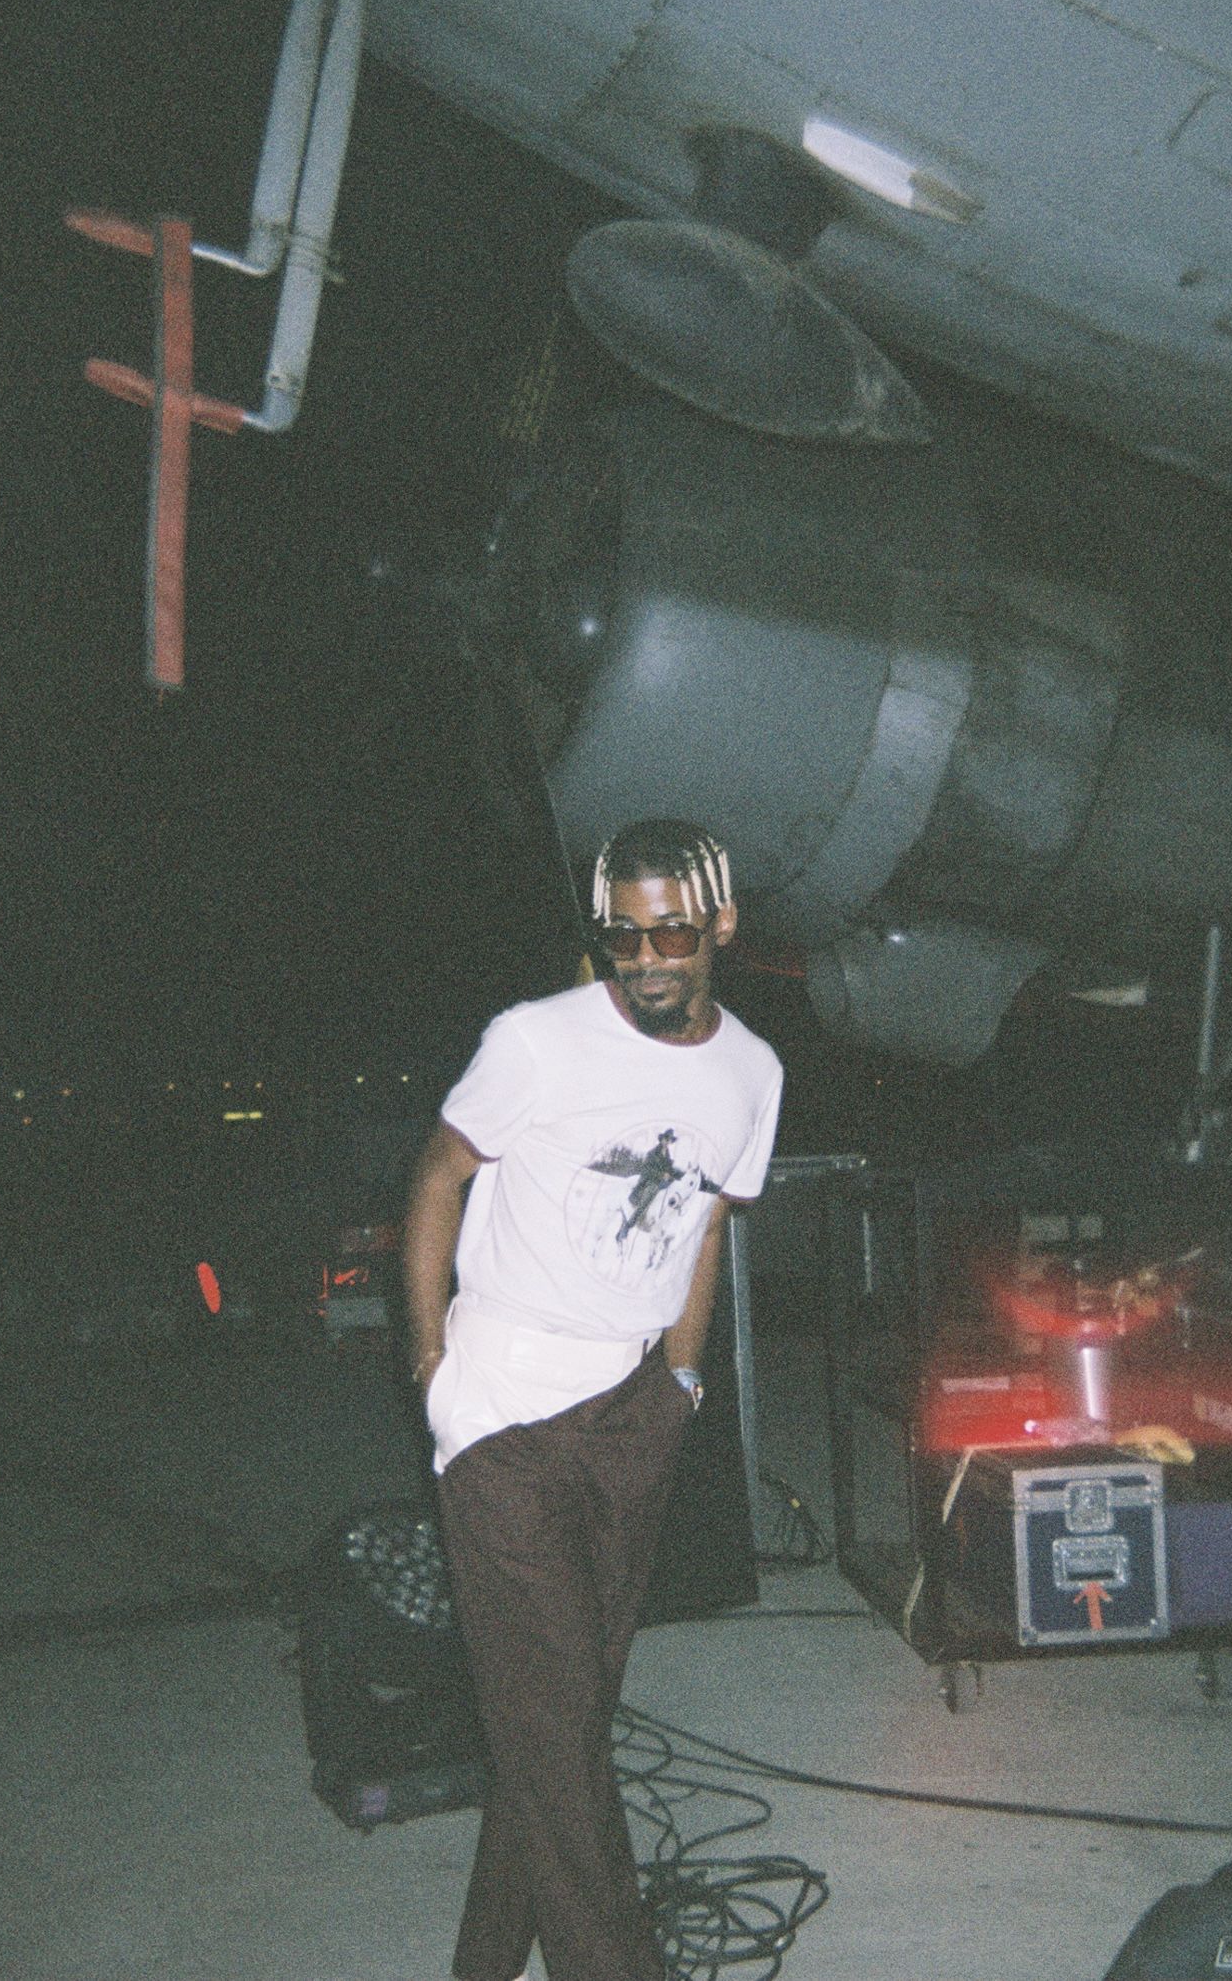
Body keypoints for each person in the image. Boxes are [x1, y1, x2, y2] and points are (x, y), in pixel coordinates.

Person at [403, 818, 783, 1981]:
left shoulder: (751, 1072)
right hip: (504, 1412)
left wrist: (680, 1377)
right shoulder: (535, 1041)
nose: (645, 958)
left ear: (720, 924)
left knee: (559, 1716)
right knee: (559, 1728)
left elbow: (705, 1224)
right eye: (621, 933)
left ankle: (483, 1959)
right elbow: (436, 1177)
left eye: (670, 931)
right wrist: (430, 1367)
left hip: (630, 1407)